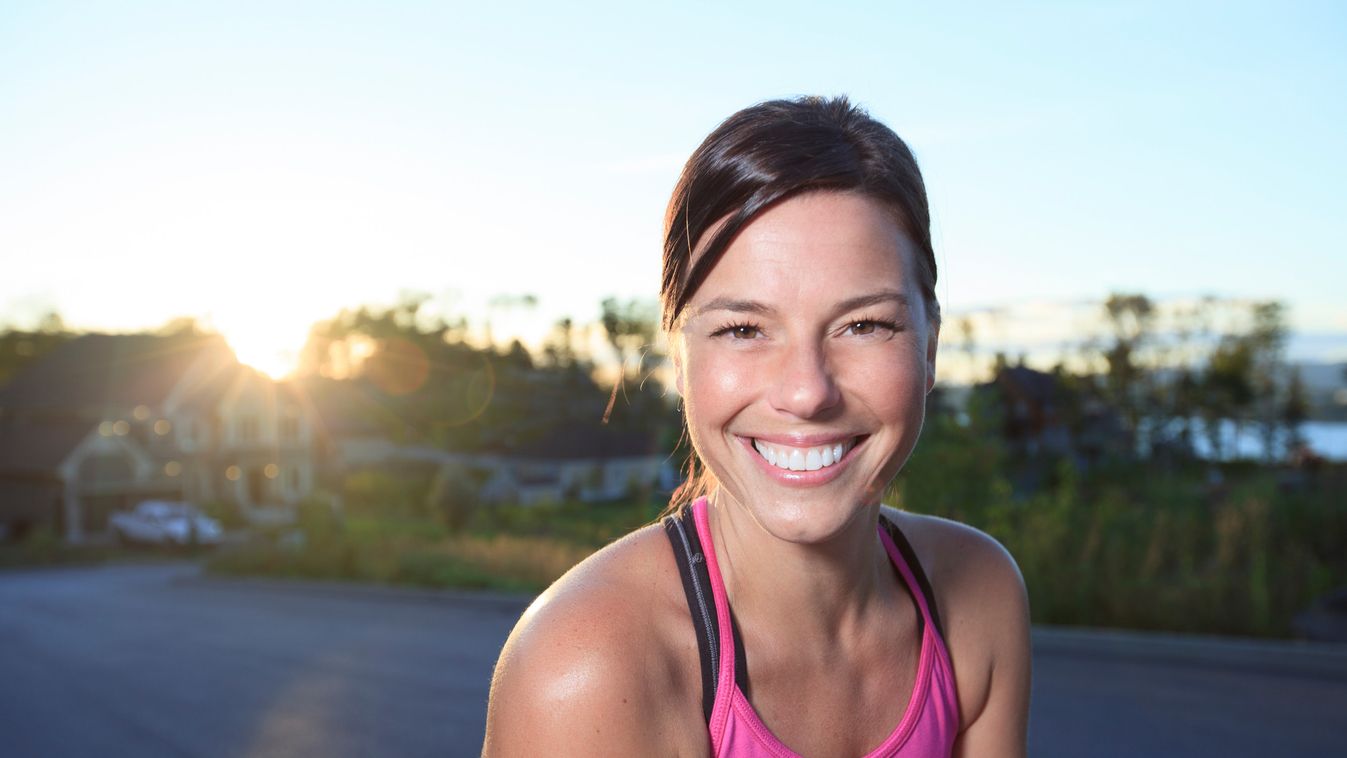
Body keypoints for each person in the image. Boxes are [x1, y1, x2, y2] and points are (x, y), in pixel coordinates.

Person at [483, 96, 1031, 757]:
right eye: (741, 329)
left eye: (863, 325)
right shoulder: (586, 670)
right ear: (678, 358)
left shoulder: (979, 597)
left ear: (929, 346)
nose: (805, 392)